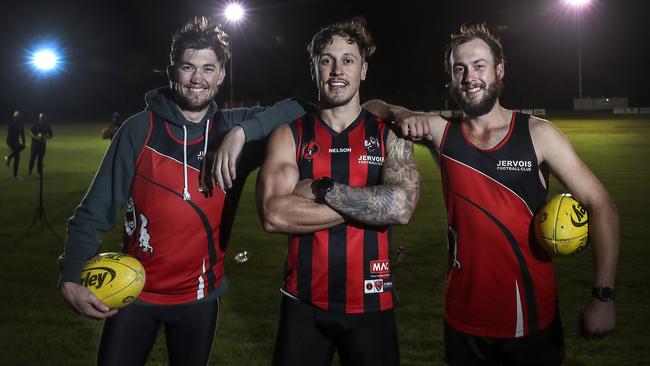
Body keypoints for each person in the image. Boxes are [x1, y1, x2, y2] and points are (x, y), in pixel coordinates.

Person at [365, 23, 619, 365]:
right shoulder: (442, 133)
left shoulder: (538, 134)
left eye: (479, 65)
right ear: (451, 79)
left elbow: (600, 204)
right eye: (460, 68)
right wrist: (402, 113)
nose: (470, 76)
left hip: (532, 316)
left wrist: (603, 297)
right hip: (462, 318)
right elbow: (371, 106)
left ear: (499, 71)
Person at [58, 16, 307, 366]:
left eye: (208, 68)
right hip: (134, 293)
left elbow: (300, 108)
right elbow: (93, 211)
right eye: (188, 67)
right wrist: (71, 274)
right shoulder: (138, 129)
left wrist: (242, 133)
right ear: (172, 71)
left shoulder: (233, 128)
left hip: (199, 299)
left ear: (221, 75)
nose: (197, 79)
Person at [257, 18, 420, 366]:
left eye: (348, 59)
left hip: (372, 303)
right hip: (302, 303)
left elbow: (402, 208)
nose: (337, 70)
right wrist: (373, 197)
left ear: (363, 69)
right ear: (314, 68)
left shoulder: (389, 133)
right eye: (327, 59)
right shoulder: (289, 134)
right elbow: (273, 215)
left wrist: (320, 190)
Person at [5, 110, 26, 179]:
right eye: (18, 116)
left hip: (16, 142)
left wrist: (23, 142)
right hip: (11, 141)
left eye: (20, 116)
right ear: (15, 117)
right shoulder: (12, 124)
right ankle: (8, 158)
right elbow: (8, 135)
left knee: (17, 159)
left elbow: (22, 134)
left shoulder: (21, 125)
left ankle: (8, 158)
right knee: (17, 157)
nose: (19, 118)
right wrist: (9, 145)